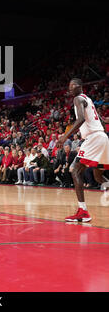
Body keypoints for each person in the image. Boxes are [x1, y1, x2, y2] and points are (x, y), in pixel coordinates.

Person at [57, 78, 109, 222]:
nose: (70, 89)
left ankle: (83, 212)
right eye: (69, 87)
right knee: (99, 177)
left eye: (72, 86)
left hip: (94, 138)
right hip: (102, 137)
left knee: (75, 170)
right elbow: (102, 122)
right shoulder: (89, 100)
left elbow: (80, 119)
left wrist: (64, 136)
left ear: (80, 86)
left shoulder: (78, 99)